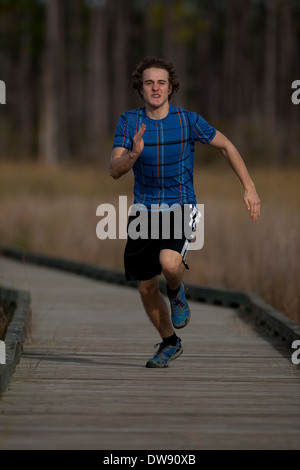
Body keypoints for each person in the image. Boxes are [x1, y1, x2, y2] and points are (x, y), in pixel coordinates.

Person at [109, 56, 261, 369]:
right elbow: (114, 169)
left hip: (181, 204)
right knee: (146, 287)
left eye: (161, 82)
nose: (155, 87)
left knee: (169, 261)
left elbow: (226, 147)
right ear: (140, 87)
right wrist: (133, 154)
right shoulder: (129, 122)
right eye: (149, 82)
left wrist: (249, 187)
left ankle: (177, 291)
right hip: (143, 211)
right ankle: (170, 342)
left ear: (170, 87)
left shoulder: (188, 121)